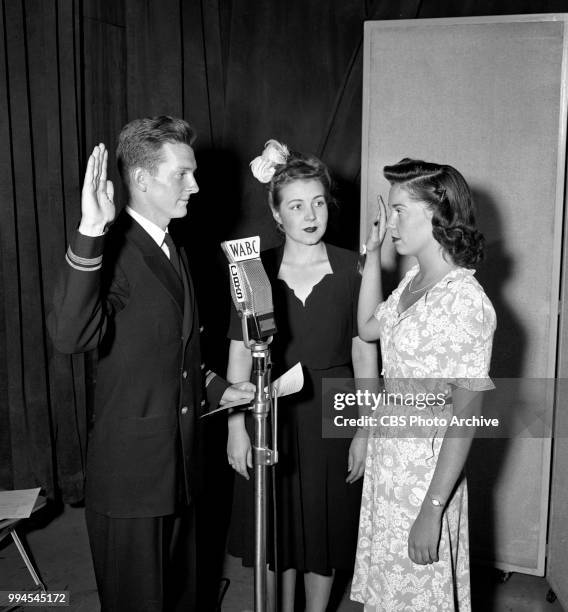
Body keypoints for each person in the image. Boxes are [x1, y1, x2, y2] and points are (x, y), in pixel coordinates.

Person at [49, 116, 254, 612]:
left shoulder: (172, 248)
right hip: (131, 479)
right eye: (182, 174)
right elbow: (70, 336)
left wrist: (216, 389)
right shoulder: (112, 248)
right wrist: (90, 229)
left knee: (180, 597)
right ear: (142, 179)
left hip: (179, 470)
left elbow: (175, 355)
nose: (196, 185)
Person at [226, 140, 378, 612]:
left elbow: (365, 357)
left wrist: (364, 431)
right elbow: (237, 351)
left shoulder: (355, 269)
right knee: (278, 532)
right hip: (271, 413)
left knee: (324, 530)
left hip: (334, 413)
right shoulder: (255, 270)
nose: (310, 215)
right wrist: (236, 427)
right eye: (296, 205)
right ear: (277, 214)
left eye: (317, 203)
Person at [350, 158, 496, 611]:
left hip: (424, 478)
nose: (389, 222)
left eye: (399, 211)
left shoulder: (466, 303)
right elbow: (369, 328)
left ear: (438, 213)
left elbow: (465, 417)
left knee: (418, 597)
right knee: (386, 595)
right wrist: (373, 256)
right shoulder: (415, 279)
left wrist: (432, 510)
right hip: (389, 464)